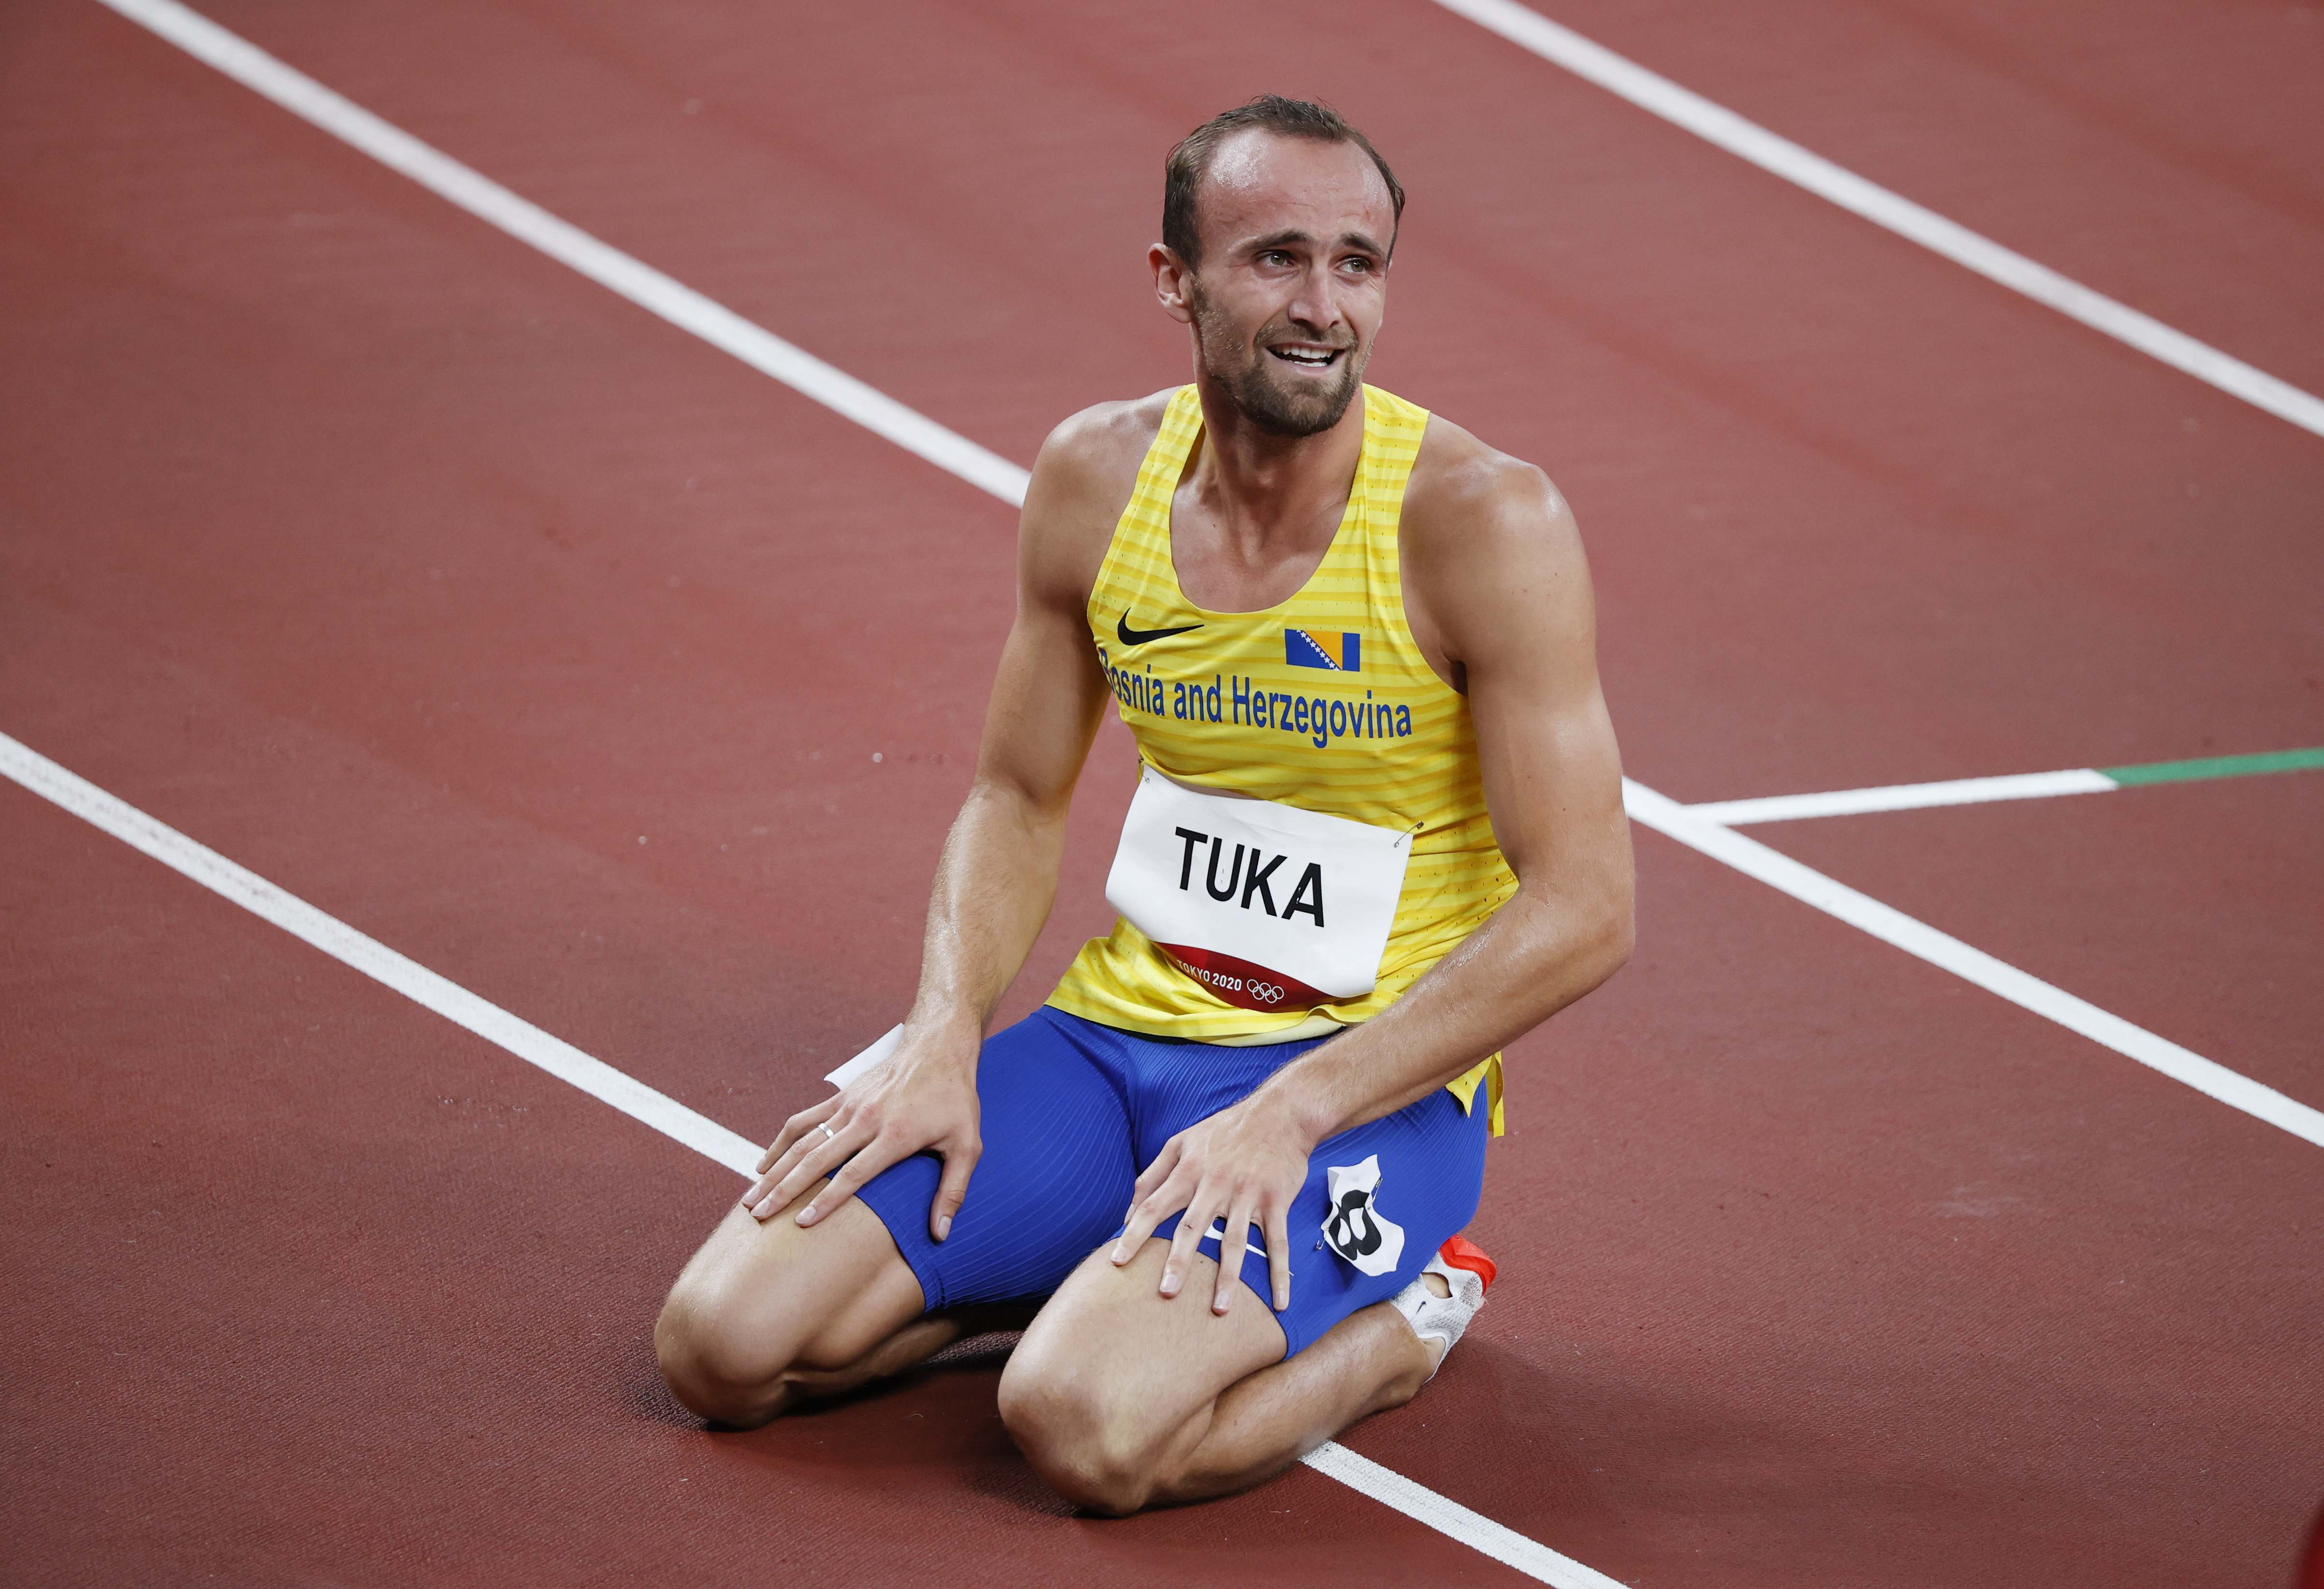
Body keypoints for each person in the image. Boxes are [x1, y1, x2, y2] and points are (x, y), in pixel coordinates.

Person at [654, 94, 1634, 1515]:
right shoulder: (1095, 479)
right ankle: (1088, 1277)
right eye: (1276, 258)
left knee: (1082, 1427)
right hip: (1119, 1047)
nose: (1323, 308)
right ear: (1174, 280)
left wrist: (1294, 1110)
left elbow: (1586, 907)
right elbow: (1015, 792)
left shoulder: (1482, 521)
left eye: (1357, 264)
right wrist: (939, 1036)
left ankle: (1403, 1326)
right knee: (720, 1348)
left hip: (1361, 1090)